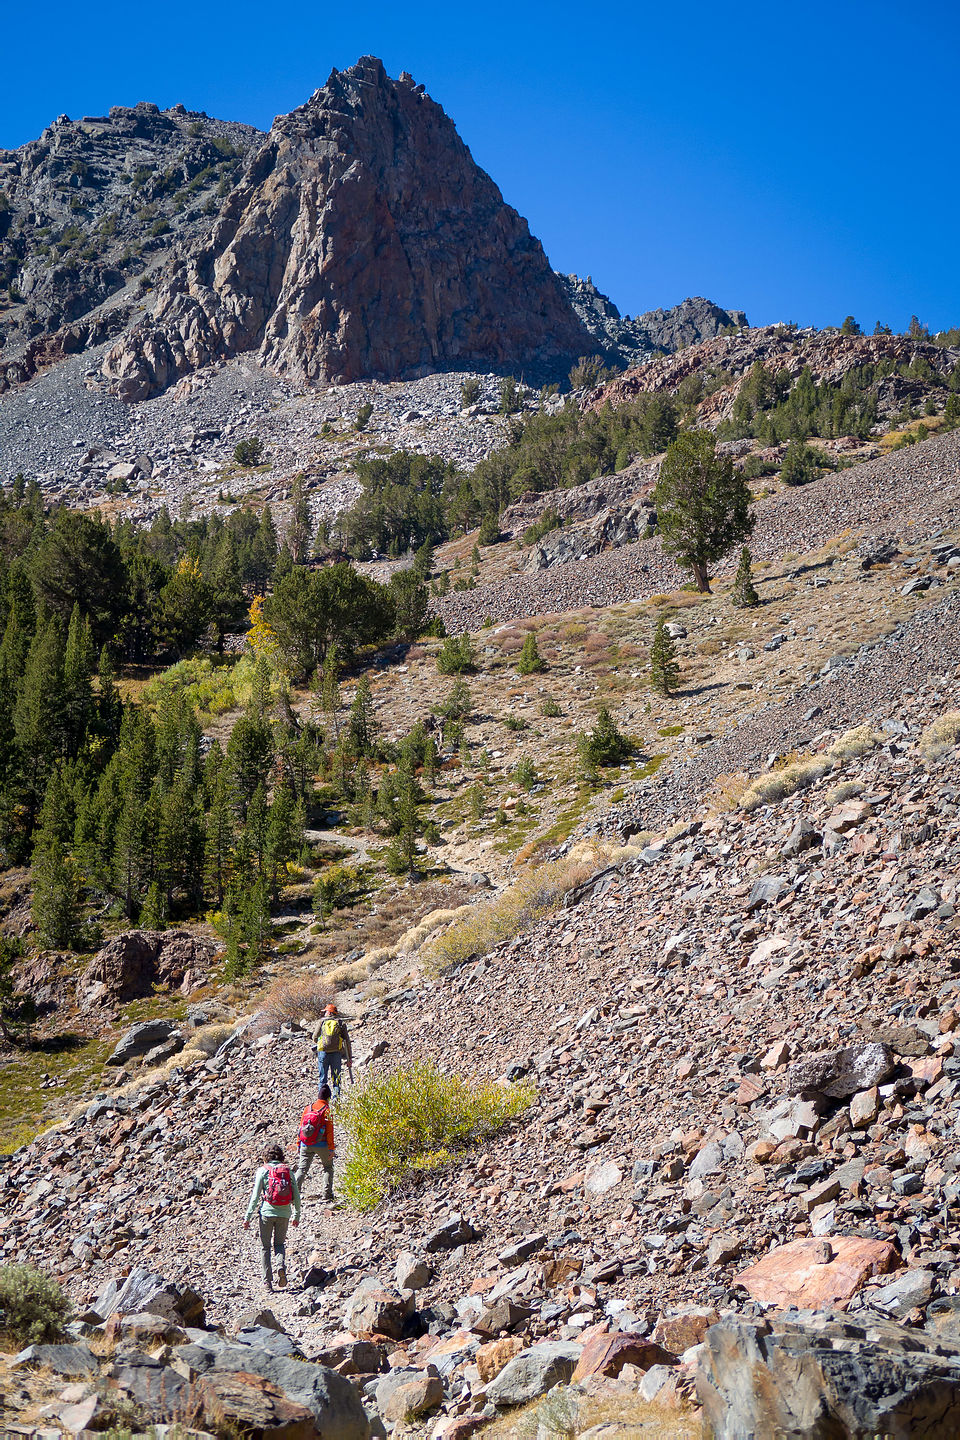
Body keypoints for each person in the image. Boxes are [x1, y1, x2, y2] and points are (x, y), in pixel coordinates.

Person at [243, 1142, 301, 1292]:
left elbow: (255, 1197)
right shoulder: (288, 1171)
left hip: (267, 1214)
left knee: (265, 1247)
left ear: (265, 1157)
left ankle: (267, 1283)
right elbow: (296, 1195)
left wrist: (247, 1217)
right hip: (285, 1213)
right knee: (279, 1244)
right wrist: (297, 1214)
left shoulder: (262, 1171)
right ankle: (280, 1266)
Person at [294, 1084, 335, 1200]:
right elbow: (330, 1131)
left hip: (306, 1143)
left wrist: (298, 1143)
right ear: (328, 1098)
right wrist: (331, 1149)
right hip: (322, 1145)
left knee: (302, 1169)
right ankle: (327, 1195)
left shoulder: (308, 1108)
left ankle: (294, 1194)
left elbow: (301, 1127)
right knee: (328, 1168)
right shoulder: (327, 1110)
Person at [316, 1003, 352, 1096]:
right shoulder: (340, 1023)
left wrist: (321, 1040)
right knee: (336, 1078)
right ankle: (336, 1102)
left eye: (325, 1011)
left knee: (322, 1079)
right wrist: (349, 1058)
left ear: (328, 1012)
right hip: (336, 1053)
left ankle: (322, 1101)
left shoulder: (322, 1022)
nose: (324, 1013)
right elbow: (347, 1041)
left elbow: (314, 1037)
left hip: (323, 1052)